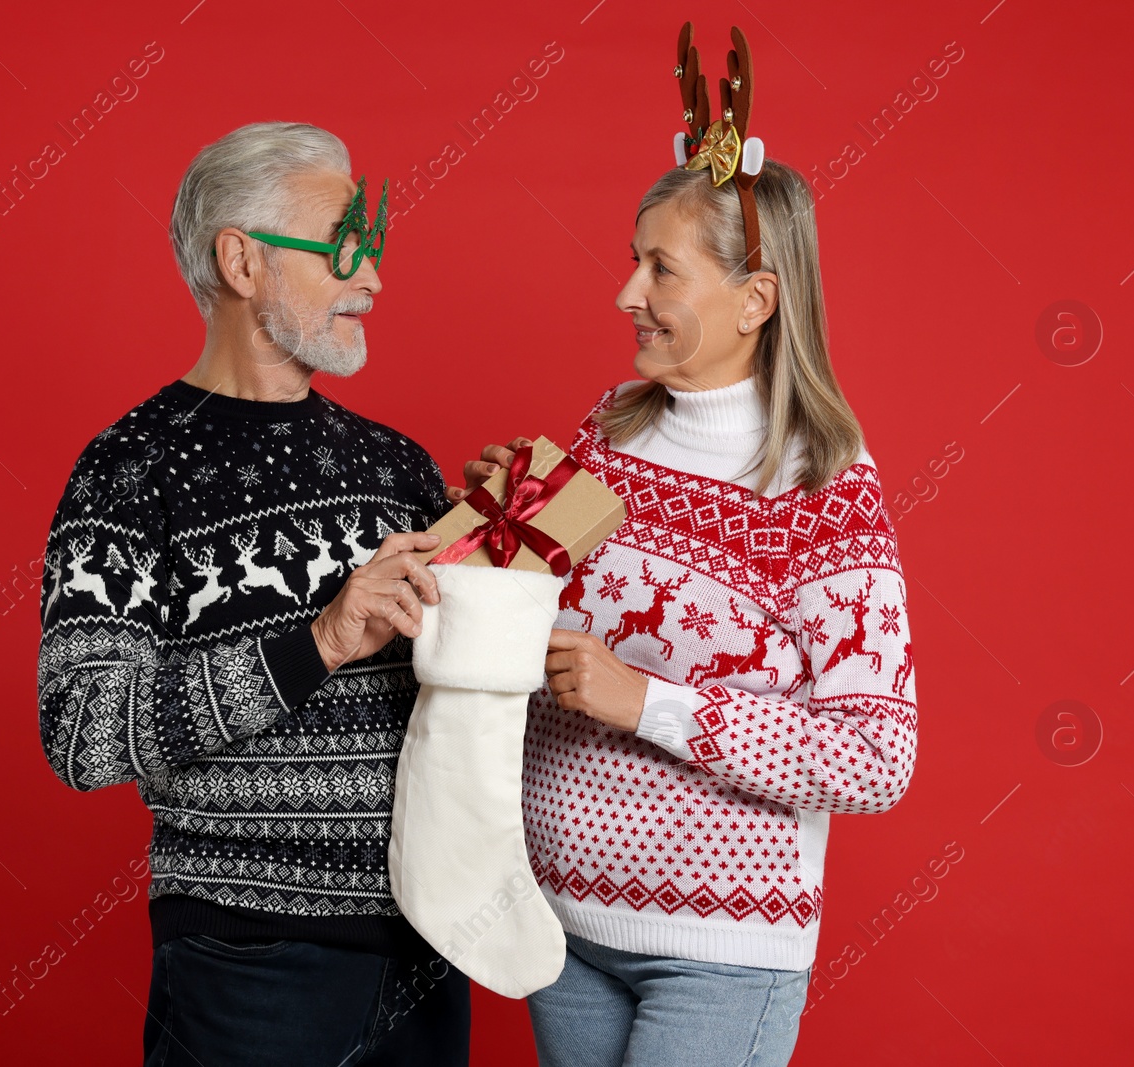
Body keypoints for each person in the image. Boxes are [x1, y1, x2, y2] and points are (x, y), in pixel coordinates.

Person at [454, 74, 919, 1067]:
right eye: (634, 263)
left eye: (660, 270)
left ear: (755, 299)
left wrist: (650, 701)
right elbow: (532, 625)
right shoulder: (610, 427)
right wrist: (502, 519)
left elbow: (875, 756)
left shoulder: (821, 485)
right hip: (558, 924)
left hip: (721, 949)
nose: (627, 292)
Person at [35, 121, 470, 1067]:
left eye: (377, 248)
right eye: (345, 247)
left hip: (433, 949)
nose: (376, 279)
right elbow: (80, 731)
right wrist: (316, 639)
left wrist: (519, 535)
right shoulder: (130, 470)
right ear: (242, 259)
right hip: (248, 961)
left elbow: (473, 696)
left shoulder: (399, 467)